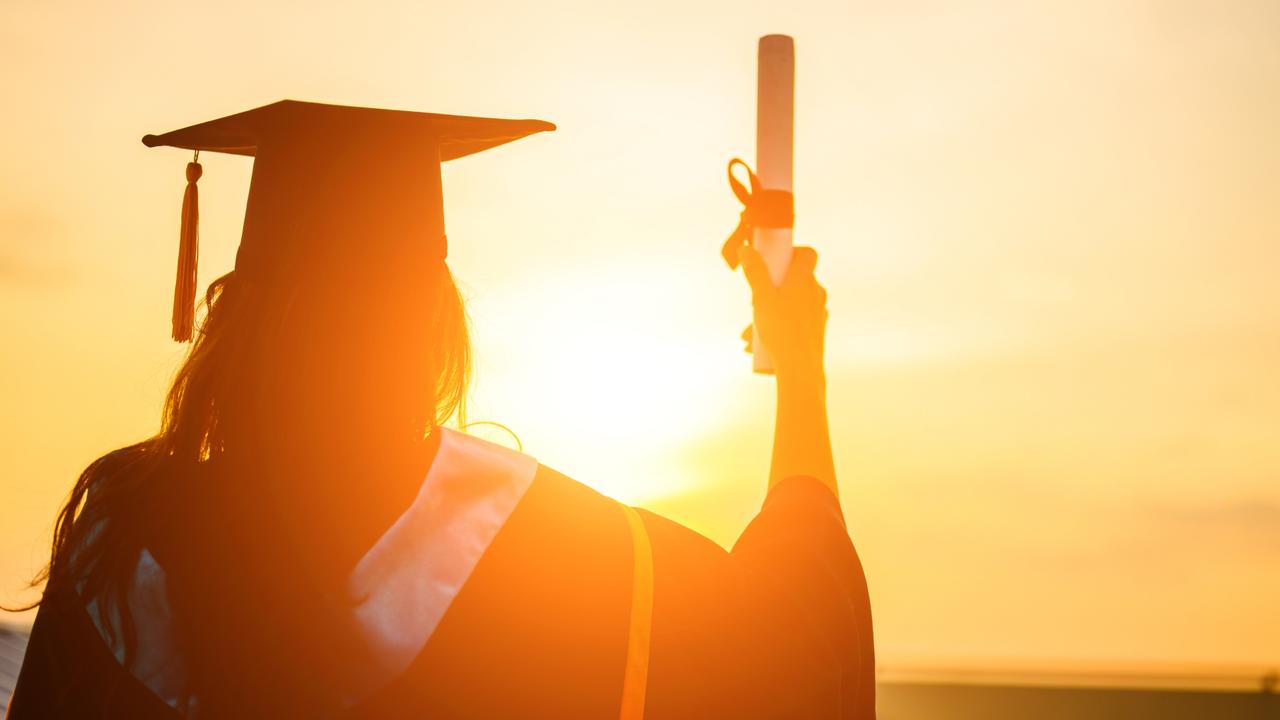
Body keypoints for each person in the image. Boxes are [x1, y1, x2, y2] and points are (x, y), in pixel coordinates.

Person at [5, 101, 875, 719]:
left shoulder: (118, 562)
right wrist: (800, 369)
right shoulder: (580, 569)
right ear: (433, 321)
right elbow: (799, 638)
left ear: (233, 318)